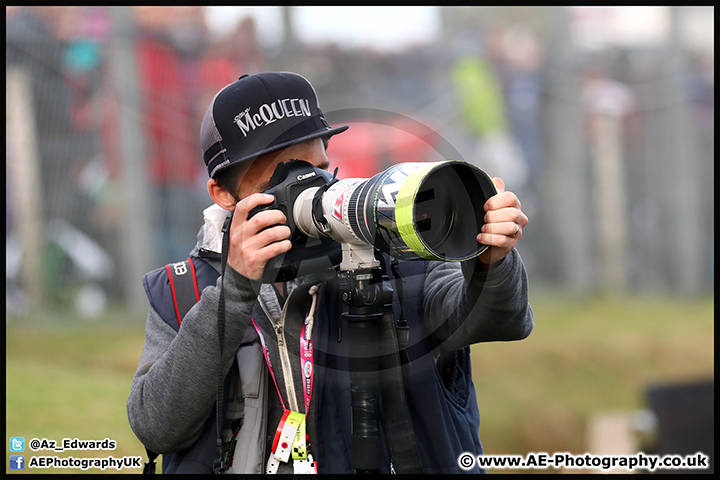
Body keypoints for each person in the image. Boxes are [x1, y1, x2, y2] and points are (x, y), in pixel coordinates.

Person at [127, 71, 533, 474]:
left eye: (319, 167)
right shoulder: (182, 289)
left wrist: (490, 259)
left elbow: (501, 319)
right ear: (223, 193)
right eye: (282, 174)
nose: (311, 186)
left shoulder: (398, 251)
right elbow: (156, 427)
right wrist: (235, 289)